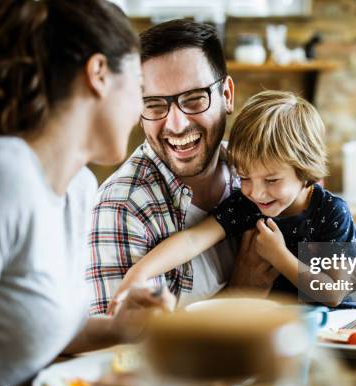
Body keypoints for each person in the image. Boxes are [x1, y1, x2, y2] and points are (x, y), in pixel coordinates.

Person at [0, 0, 174, 386]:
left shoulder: (78, 188)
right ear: (98, 74)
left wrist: (120, 328)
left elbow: (31, 327)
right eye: (138, 88)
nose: (140, 111)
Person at [87, 19, 278, 314]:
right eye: (154, 105)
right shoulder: (122, 206)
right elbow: (124, 352)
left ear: (226, 95)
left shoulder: (263, 175)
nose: (176, 124)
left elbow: (350, 285)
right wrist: (243, 291)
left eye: (194, 99)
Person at [109, 91, 356, 311]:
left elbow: (333, 294)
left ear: (306, 171)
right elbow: (193, 239)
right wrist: (138, 273)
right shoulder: (246, 205)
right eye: (245, 177)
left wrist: (279, 255)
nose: (256, 192)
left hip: (336, 330)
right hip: (279, 328)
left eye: (271, 180)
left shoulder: (331, 212)